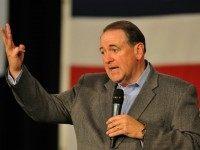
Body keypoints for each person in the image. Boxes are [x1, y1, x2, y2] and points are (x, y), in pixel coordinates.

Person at [1, 20, 200, 150]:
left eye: (114, 49)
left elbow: (193, 144)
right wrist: (17, 70)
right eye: (103, 52)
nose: (107, 59)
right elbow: (44, 108)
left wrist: (143, 131)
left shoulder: (178, 93)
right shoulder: (88, 87)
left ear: (138, 51)